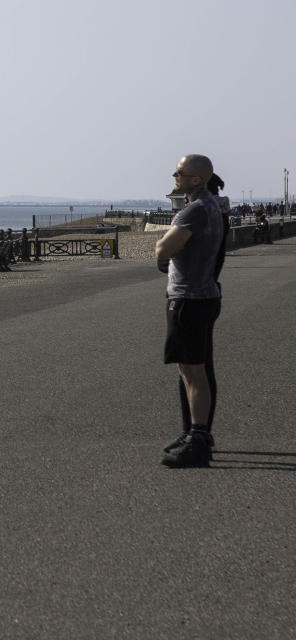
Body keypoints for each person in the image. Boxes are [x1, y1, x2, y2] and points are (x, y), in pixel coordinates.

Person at [155, 155, 224, 468]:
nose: (175, 174)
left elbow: (163, 249)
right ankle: (196, 433)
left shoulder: (196, 210)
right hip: (204, 294)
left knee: (192, 371)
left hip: (189, 298)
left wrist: (161, 246)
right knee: (199, 369)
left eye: (180, 172)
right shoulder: (211, 205)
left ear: (196, 179)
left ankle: (197, 440)